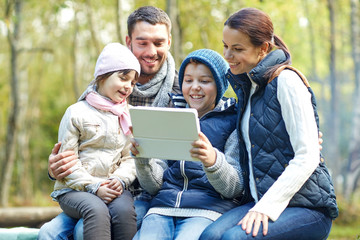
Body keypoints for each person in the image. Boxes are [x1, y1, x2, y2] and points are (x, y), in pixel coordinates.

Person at [38, 6, 180, 240]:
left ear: (169, 42)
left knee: (86, 230)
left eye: (158, 42)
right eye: (142, 42)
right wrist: (55, 169)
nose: (151, 51)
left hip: (145, 194)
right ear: (128, 41)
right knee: (49, 233)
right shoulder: (102, 87)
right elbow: (81, 145)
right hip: (90, 188)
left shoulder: (181, 91)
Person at [198, 7, 338, 240]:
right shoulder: (248, 88)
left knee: (233, 239)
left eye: (237, 49)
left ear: (263, 48)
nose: (227, 56)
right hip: (261, 200)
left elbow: (308, 156)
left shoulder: (286, 81)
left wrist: (265, 208)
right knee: (209, 236)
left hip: (306, 207)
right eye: (225, 46)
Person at [132, 48, 243, 240]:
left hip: (207, 209)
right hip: (162, 208)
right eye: (188, 80)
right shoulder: (171, 116)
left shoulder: (233, 121)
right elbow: (154, 186)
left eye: (205, 81)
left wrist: (213, 161)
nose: (195, 87)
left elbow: (234, 188)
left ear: (219, 85)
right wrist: (143, 159)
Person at [48, 42, 140, 240]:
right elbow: (67, 163)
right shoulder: (76, 112)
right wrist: (95, 187)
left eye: (132, 83)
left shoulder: (128, 115)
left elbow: (130, 157)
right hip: (75, 189)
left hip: (113, 185)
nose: (128, 87)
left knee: (125, 211)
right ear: (102, 76)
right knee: (96, 210)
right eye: (123, 78)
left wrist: (119, 180)